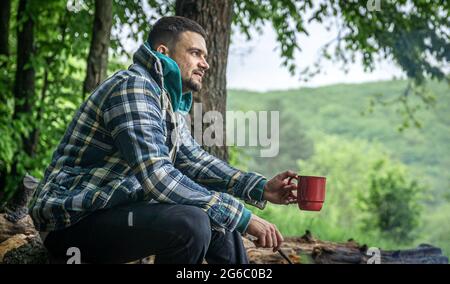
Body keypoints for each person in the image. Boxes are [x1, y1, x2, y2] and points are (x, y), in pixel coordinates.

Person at [29, 16, 297, 264]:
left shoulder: (165, 99)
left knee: (218, 220)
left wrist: (260, 188)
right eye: (195, 53)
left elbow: (192, 160)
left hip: (110, 211)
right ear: (163, 52)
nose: (205, 63)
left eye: (205, 56)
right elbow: (158, 175)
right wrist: (243, 217)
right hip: (70, 224)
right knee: (192, 223)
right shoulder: (132, 86)